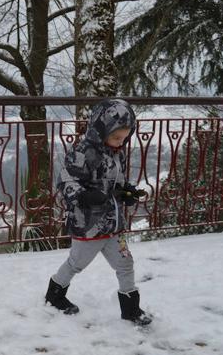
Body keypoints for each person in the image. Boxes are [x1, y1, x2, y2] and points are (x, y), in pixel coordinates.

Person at [44, 98, 152, 326]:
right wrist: (83, 195)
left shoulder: (117, 153)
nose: (119, 142)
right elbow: (65, 181)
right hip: (89, 224)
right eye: (116, 137)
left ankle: (131, 310)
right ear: (101, 128)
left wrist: (126, 192)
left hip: (113, 225)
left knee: (125, 264)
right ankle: (54, 296)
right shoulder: (83, 152)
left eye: (124, 138)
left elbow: (116, 182)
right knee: (76, 263)